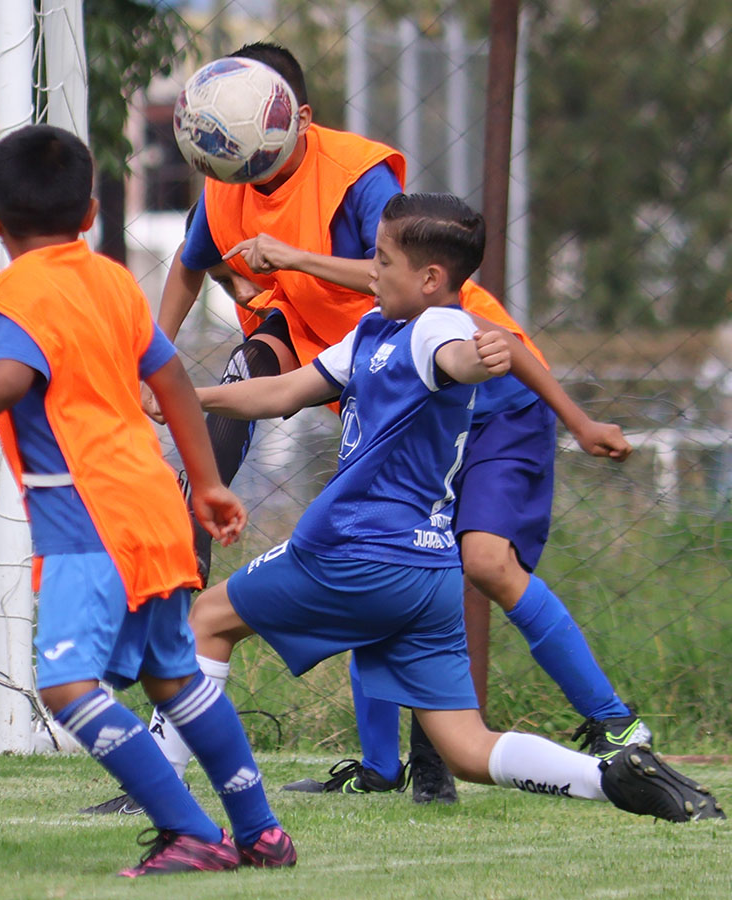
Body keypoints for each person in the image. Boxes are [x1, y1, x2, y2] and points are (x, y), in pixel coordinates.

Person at [101, 41, 649, 813]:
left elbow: (486, 340)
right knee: (363, 537)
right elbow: (214, 290)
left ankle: (616, 726)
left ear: (299, 119)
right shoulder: (231, 190)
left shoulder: (382, 220)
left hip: (485, 410)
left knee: (484, 562)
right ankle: (385, 763)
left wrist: (579, 419)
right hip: (380, 383)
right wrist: (164, 379)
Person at [182, 191, 722, 824]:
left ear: (431, 278)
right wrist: (188, 398)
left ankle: (161, 792)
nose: (370, 270)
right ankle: (616, 779)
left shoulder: (437, 326)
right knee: (466, 749)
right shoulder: (374, 331)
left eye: (380, 260)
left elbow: (460, 354)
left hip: (356, 551)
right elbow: (280, 393)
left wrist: (478, 358)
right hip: (427, 573)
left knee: (207, 618)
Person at [0, 124, 296, 876]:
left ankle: (189, 830)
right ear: (90, 213)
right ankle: (260, 831)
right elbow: (175, 381)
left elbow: (7, 381)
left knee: (64, 684)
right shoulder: (114, 282)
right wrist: (209, 482)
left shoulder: (18, 294)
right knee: (174, 677)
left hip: (88, 518)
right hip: (153, 505)